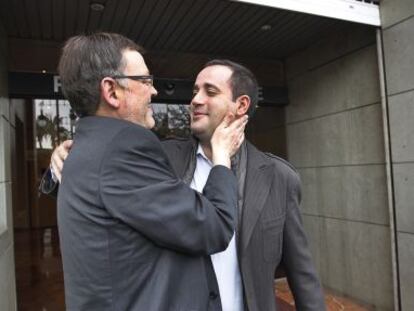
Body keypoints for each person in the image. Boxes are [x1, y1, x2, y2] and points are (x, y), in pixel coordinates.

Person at [42, 59, 326, 310]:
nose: (195, 100)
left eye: (210, 92)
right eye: (194, 91)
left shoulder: (279, 176)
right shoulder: (158, 158)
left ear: (241, 106)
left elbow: (302, 273)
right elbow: (97, 194)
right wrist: (65, 159)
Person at [52, 33, 248, 311]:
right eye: (145, 81)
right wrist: (221, 160)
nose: (154, 91)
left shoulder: (89, 148)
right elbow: (212, 227)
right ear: (111, 91)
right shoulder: (123, 149)